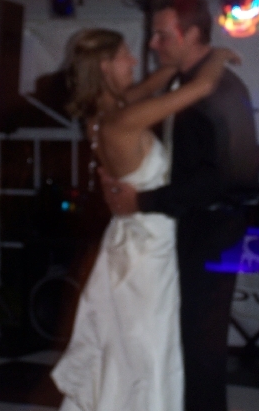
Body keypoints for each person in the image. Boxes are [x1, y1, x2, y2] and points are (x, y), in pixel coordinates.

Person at [50, 27, 240, 411]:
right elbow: (202, 88)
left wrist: (174, 61)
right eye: (125, 54)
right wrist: (218, 55)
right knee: (149, 348)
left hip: (127, 237)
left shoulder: (101, 117)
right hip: (150, 246)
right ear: (105, 66)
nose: (134, 60)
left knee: (126, 345)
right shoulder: (125, 119)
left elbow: (154, 82)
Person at [99, 0, 259, 411]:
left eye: (162, 35)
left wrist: (144, 201)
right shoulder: (184, 81)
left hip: (213, 228)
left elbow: (221, 178)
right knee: (185, 340)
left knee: (200, 344)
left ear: (191, 35)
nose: (153, 44)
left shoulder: (218, 89)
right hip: (193, 224)